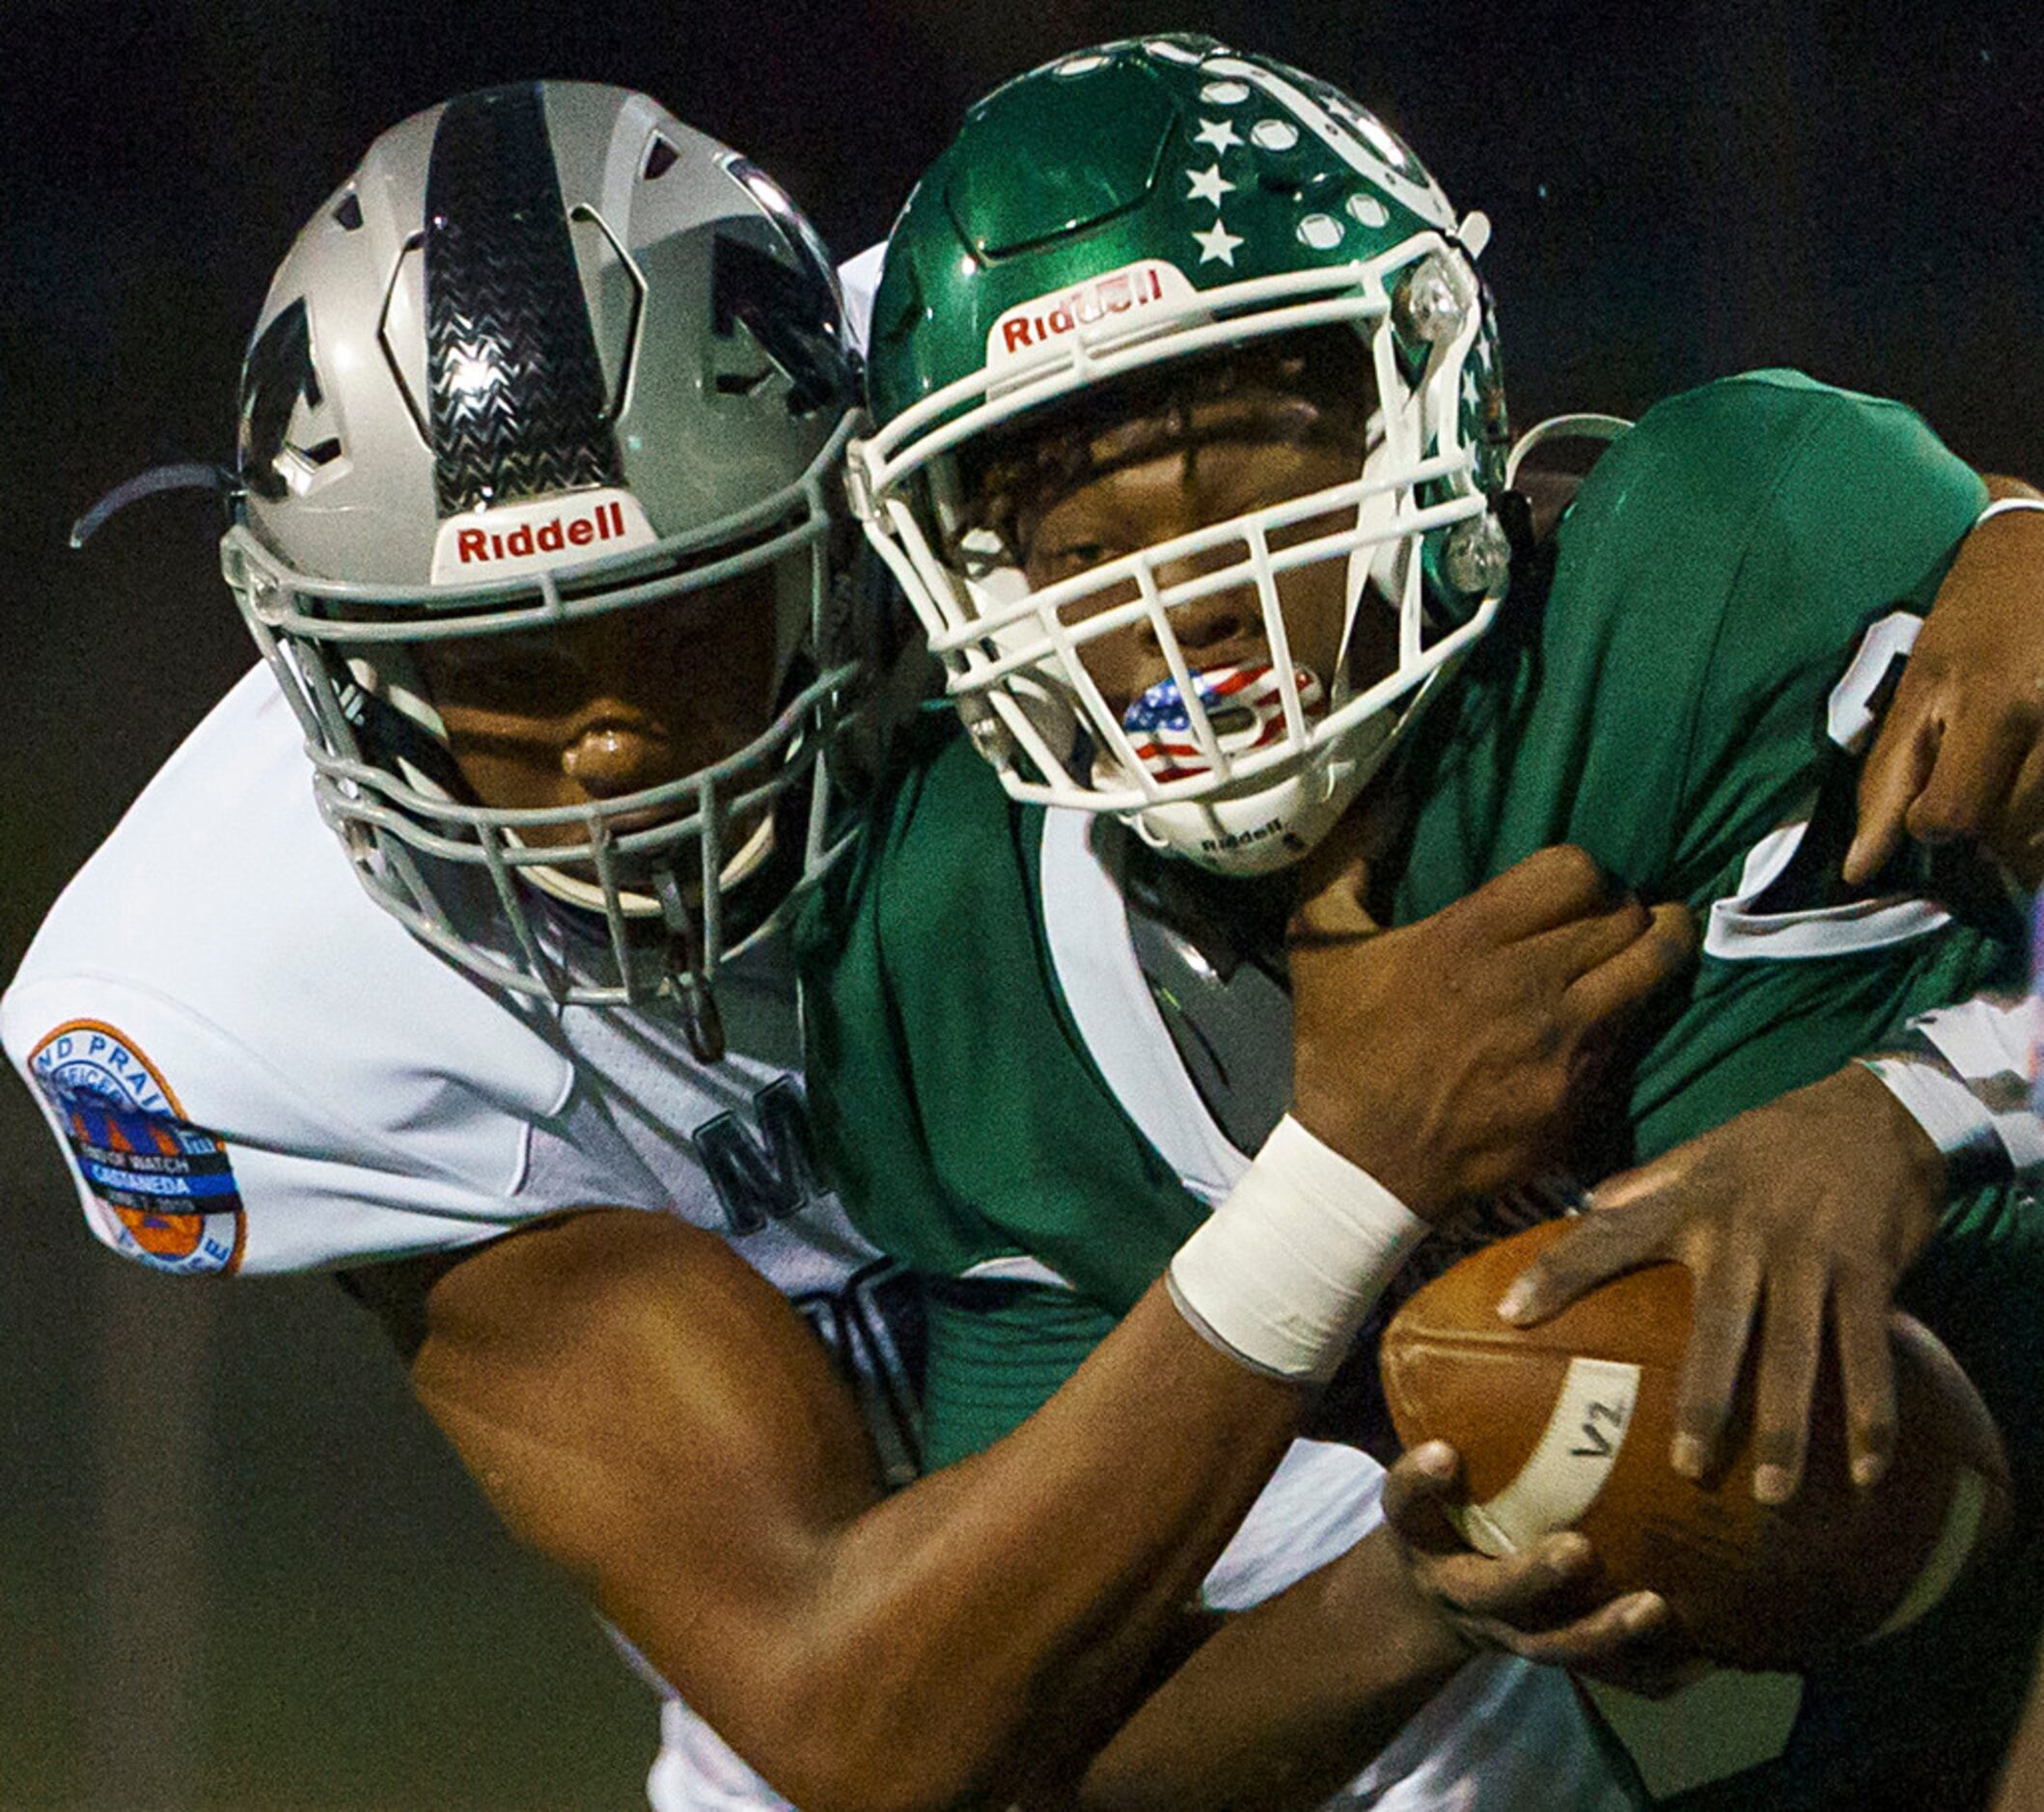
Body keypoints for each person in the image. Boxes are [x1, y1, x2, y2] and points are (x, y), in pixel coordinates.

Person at [6, 80, 1695, 1812]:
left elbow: (1523, 553)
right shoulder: (280, 987)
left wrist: (1969, 562)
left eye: (679, 622)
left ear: (853, 520)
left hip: (1404, 1671)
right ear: (341, 672)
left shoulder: (1019, 410)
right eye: (497, 670)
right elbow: (857, 1714)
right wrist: (1346, 1177)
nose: (601, 742)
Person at [813, 33, 2044, 1805]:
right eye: (1079, 529)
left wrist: (1914, 1115)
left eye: (1245, 466)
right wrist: (1417, 1596)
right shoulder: (970, 952)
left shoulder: (1712, 566)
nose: (1179, 589)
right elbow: (1042, 1756)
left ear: (1419, 391)